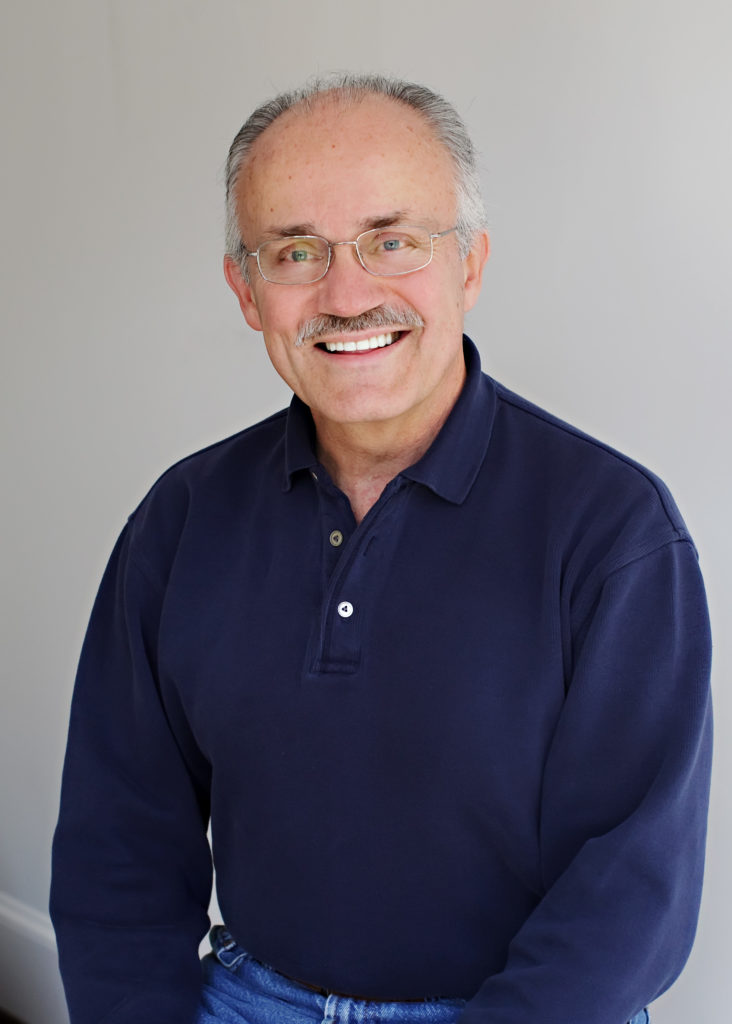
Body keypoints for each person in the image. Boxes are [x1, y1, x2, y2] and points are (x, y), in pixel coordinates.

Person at [50, 74, 712, 1024]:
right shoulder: (181, 519)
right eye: (296, 251)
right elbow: (119, 845)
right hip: (246, 997)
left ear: (470, 266)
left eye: (391, 241)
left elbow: (627, 901)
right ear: (247, 290)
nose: (347, 292)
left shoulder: (614, 531)